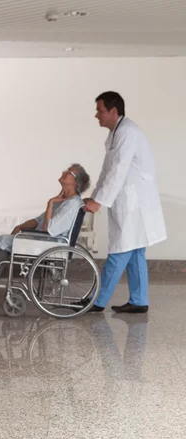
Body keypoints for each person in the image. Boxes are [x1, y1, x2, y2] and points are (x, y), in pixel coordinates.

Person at [83, 91, 166, 313]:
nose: (96, 115)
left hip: (134, 203)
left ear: (113, 111)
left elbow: (118, 170)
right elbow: (107, 170)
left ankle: (96, 302)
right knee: (135, 252)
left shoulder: (127, 132)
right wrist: (96, 195)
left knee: (119, 251)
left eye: (99, 111)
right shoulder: (116, 134)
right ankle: (139, 301)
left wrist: (100, 201)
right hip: (129, 201)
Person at [0, 164, 90, 296]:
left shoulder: (72, 204)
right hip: (43, 240)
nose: (64, 172)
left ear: (76, 182)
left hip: (49, 243)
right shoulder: (63, 201)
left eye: (69, 172)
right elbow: (38, 220)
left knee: (3, 241)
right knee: (4, 240)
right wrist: (20, 227)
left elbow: (49, 229)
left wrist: (50, 203)